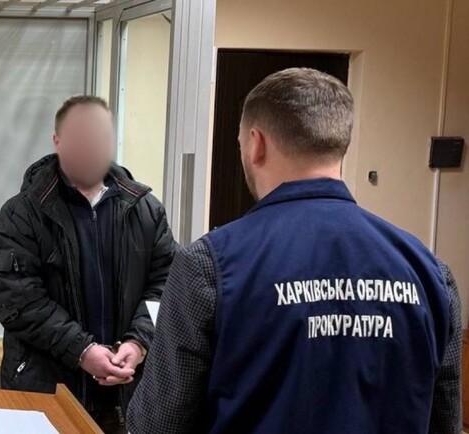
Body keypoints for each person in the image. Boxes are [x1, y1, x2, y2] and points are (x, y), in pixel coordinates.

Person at [127, 68, 461, 434]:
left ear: (256, 143)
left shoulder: (209, 266)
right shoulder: (428, 272)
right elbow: (445, 421)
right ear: (340, 145)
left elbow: (158, 424)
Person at [0, 95, 176, 433]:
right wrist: (83, 351)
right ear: (57, 141)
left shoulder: (146, 210)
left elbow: (166, 285)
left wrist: (139, 342)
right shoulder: (22, 213)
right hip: (46, 390)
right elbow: (15, 299)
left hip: (126, 392)